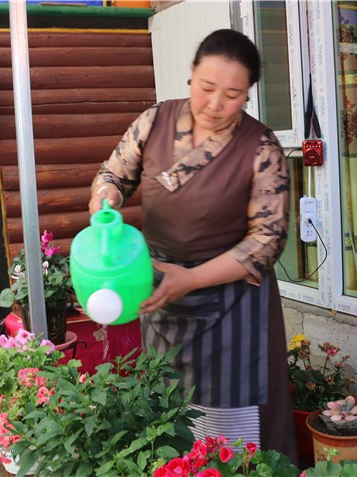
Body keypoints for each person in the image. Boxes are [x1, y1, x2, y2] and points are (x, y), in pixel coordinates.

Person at [88, 29, 296, 463]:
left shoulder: (261, 147)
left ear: (247, 94)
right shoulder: (154, 121)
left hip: (233, 308)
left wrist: (191, 278)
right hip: (164, 295)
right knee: (170, 423)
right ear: (191, 75)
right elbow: (113, 175)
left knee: (235, 441)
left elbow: (267, 240)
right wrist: (106, 197)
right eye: (206, 87)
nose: (215, 103)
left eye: (232, 95)